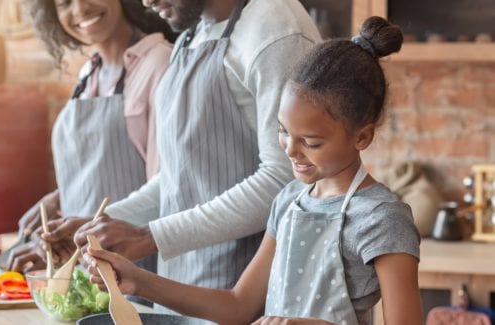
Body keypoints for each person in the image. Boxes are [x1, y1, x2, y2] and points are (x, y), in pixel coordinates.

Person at [85, 16, 422, 325]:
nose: (290, 149)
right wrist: (138, 280)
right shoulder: (289, 200)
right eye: (284, 132)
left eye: (311, 142)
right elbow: (238, 305)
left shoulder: (381, 218)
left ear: (362, 136)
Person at [38, 0, 322, 312]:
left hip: (253, 301)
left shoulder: (275, 27)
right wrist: (100, 224)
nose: (145, 2)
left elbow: (286, 180)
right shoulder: (192, 36)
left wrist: (151, 236)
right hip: (183, 294)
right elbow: (177, 179)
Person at [0, 0, 175, 272]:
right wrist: (60, 199)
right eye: (64, 2)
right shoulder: (88, 73)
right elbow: (101, 167)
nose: (79, 9)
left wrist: (90, 224)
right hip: (85, 266)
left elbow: (169, 186)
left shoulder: (159, 63)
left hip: (137, 271)